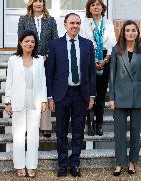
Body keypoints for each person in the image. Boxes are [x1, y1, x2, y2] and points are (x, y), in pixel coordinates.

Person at [46, 13, 95, 177]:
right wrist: (50, 96)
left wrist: (92, 96)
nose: (75, 26)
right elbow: (49, 72)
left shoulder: (88, 45)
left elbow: (91, 73)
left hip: (81, 94)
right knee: (61, 131)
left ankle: (74, 164)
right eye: (72, 23)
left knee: (78, 131)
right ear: (65, 25)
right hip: (61, 94)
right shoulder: (55, 45)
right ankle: (62, 164)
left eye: (78, 23)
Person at [4, 30, 47, 178]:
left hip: (34, 101)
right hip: (17, 101)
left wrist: (43, 100)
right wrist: (7, 102)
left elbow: (43, 82)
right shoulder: (13, 60)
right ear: (21, 43)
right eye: (27, 41)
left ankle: (32, 165)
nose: (30, 44)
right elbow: (9, 82)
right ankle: (19, 165)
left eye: (32, 42)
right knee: (19, 135)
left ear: (35, 45)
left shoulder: (39, 60)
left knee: (33, 135)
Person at [109, 20, 141, 176]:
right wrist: (111, 98)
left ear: (137, 32)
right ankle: (120, 163)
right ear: (123, 33)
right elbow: (111, 76)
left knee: (135, 131)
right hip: (119, 96)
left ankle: (132, 162)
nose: (130, 33)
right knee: (119, 132)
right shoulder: (116, 50)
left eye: (133, 30)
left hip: (138, 96)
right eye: (127, 30)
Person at [18, 0, 58, 138]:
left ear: (44, 3)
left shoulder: (51, 20)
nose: (38, 3)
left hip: (46, 60)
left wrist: (46, 56)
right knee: (28, 89)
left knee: (45, 89)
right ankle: (28, 125)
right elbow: (21, 39)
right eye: (35, 1)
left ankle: (46, 125)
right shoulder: (23, 20)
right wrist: (31, 55)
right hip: (29, 59)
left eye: (40, 1)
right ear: (31, 3)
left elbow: (55, 41)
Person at [80, 0, 116, 136]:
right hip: (89, 59)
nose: (96, 7)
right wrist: (92, 61)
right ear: (89, 8)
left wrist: (105, 60)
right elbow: (83, 42)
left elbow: (112, 43)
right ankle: (90, 124)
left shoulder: (108, 24)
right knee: (90, 94)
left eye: (98, 4)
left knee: (101, 95)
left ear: (102, 7)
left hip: (105, 59)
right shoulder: (84, 23)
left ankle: (99, 124)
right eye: (93, 5)